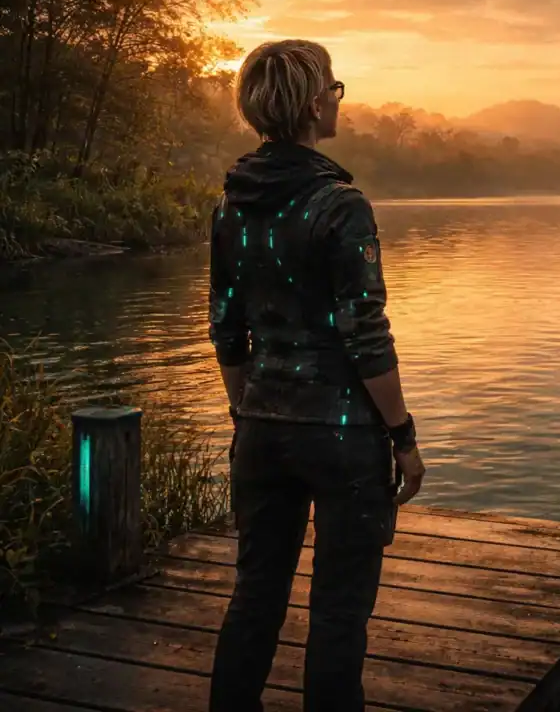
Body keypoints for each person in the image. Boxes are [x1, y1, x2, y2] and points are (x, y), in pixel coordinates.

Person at [207, 39, 426, 712]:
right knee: (338, 614)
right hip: (342, 436)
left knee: (254, 598)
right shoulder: (340, 205)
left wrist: (247, 415)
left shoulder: (230, 206)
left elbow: (226, 329)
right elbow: (366, 335)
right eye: (333, 88)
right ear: (310, 105)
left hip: (261, 432)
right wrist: (402, 435)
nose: (338, 99)